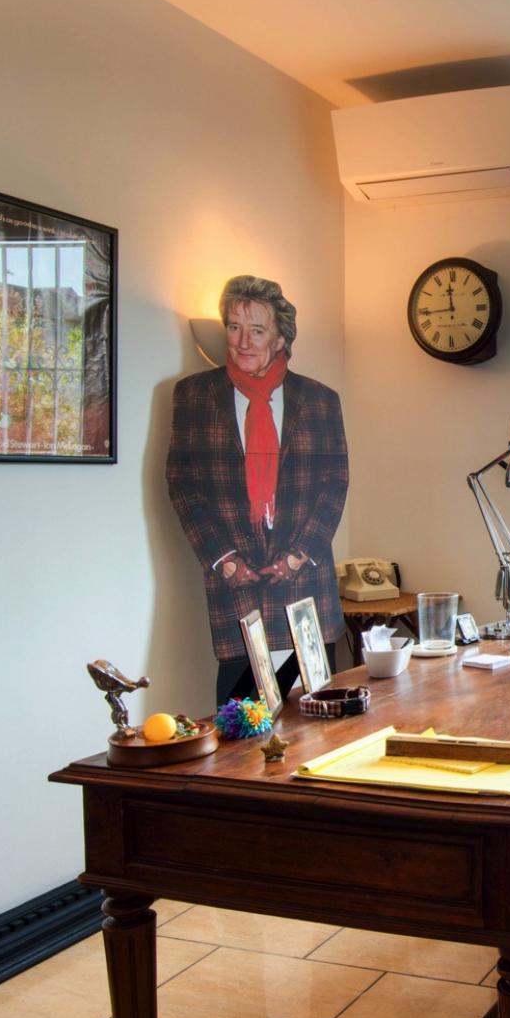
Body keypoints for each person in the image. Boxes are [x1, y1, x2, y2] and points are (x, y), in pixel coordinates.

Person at [166, 276, 348, 701]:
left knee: (316, 716)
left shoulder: (320, 400)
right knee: (240, 719)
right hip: (234, 583)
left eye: (257, 330)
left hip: (304, 583)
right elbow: (183, 484)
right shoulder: (193, 395)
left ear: (281, 337)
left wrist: (297, 555)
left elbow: (334, 484)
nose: (243, 341)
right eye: (234, 327)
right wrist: (224, 559)